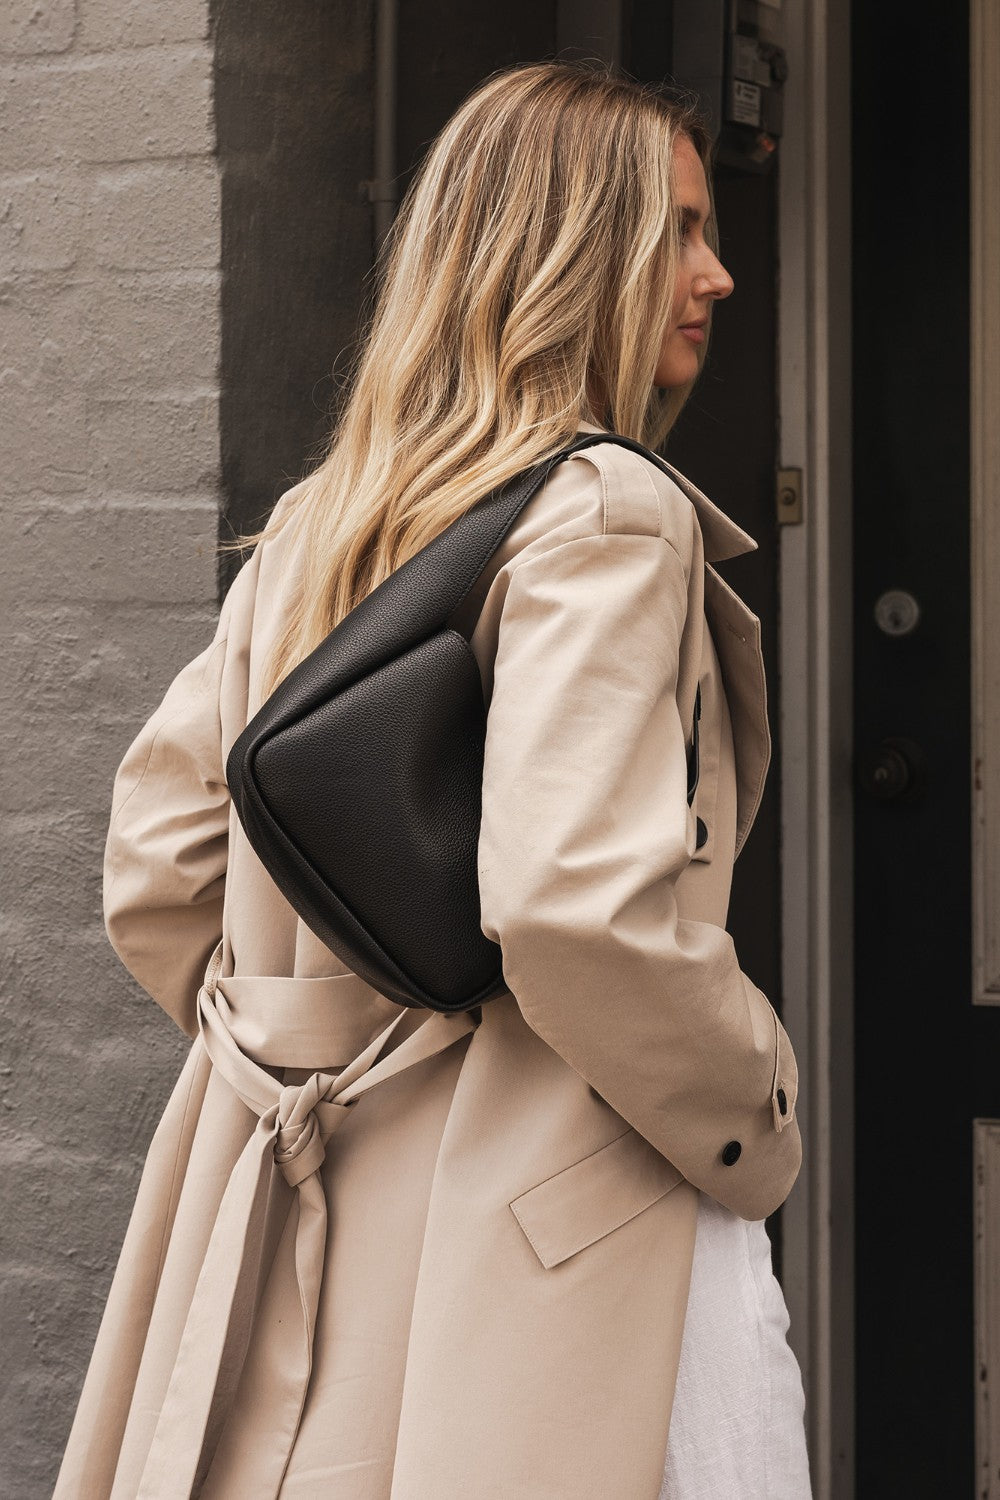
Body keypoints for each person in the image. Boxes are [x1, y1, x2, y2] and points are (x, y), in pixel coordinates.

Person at [52, 60, 811, 1499]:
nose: (717, 276)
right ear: (570, 255)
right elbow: (576, 910)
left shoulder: (322, 516)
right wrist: (753, 1110)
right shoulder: (606, 512)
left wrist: (315, 1055)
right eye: (683, 234)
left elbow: (157, 865)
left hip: (295, 1203)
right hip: (555, 1235)